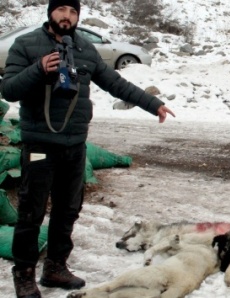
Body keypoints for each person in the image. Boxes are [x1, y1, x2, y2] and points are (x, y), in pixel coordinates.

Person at [0, 0, 175, 297]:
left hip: (74, 145)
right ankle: (24, 275)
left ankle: (55, 267)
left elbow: (114, 83)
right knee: (32, 213)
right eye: (61, 10)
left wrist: (152, 103)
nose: (66, 16)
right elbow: (9, 89)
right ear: (50, 12)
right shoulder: (27, 44)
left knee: (68, 210)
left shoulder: (84, 48)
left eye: (72, 11)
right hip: (40, 144)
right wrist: (39, 69)